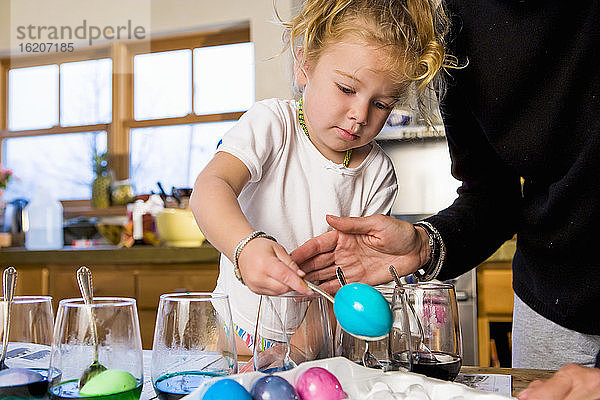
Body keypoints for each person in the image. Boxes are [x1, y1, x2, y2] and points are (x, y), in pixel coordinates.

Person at [291, 0, 600, 371]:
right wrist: (423, 245)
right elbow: (493, 198)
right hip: (553, 300)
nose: (360, 116)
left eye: (382, 104)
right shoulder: (454, 25)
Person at [190, 0, 453, 356]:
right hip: (231, 336)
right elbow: (210, 188)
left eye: (381, 104)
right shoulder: (272, 125)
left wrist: (292, 355)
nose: (360, 115)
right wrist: (244, 247)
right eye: (347, 89)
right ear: (305, 65)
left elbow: (347, 285)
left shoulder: (378, 174)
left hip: (311, 349)